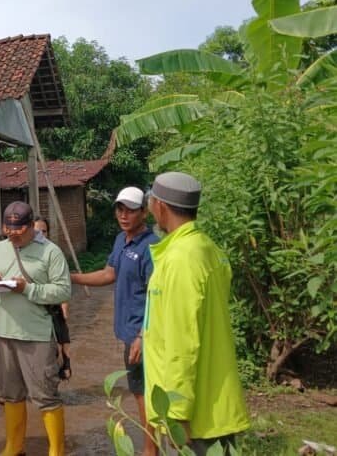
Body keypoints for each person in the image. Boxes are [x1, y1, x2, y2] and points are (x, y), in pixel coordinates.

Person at [144, 172, 249, 455]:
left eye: (151, 201)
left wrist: (177, 412)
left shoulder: (181, 259)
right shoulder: (206, 248)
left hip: (197, 416)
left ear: (160, 206)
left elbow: (183, 342)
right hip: (213, 403)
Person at [70, 186, 157, 456]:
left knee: (144, 393)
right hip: (128, 332)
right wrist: (73, 278)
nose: (124, 215)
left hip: (142, 335)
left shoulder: (150, 246)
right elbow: (110, 273)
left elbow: (157, 295)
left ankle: (150, 450)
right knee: (138, 391)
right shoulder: (122, 240)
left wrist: (144, 335)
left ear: (144, 212)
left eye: (131, 210)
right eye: (120, 209)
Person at [0, 201, 71, 456]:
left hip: (37, 336)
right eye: (8, 229)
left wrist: (27, 289)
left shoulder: (51, 252)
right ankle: (14, 447)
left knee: (45, 394)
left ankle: (56, 450)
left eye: (18, 230)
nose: (12, 235)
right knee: (10, 393)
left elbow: (63, 290)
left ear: (31, 227)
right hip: (4, 334)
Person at [33, 216, 72, 380]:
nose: (41, 234)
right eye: (37, 231)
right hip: (34, 310)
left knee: (62, 340)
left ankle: (65, 367)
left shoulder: (53, 252)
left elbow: (62, 284)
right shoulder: (26, 254)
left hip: (53, 306)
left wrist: (64, 305)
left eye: (44, 231)